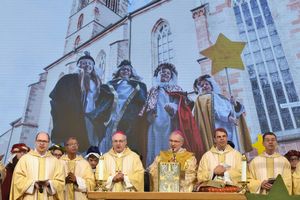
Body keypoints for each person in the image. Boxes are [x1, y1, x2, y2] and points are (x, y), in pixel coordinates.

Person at [140, 63, 203, 165]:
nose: (165, 74)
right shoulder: (152, 90)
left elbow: (182, 106)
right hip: (155, 122)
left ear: (171, 77)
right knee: (154, 145)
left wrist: (173, 108)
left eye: (168, 73)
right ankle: (154, 172)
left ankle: (170, 173)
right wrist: (149, 116)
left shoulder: (176, 89)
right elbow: (146, 108)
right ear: (158, 75)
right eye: (162, 72)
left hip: (170, 122)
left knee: (169, 145)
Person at [50, 51, 113, 151]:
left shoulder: (99, 84)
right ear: (79, 65)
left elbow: (104, 102)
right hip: (73, 117)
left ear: (93, 67)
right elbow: (56, 99)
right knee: (72, 145)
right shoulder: (68, 80)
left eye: (90, 63)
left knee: (90, 146)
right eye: (84, 63)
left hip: (91, 119)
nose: (87, 65)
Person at [98, 60, 147, 160]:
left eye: (128, 70)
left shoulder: (139, 85)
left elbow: (143, 101)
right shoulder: (110, 84)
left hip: (130, 117)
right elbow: (103, 99)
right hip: (113, 114)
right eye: (123, 69)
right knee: (110, 137)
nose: (126, 71)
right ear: (119, 71)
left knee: (128, 140)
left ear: (131, 72)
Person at [193, 74, 252, 153]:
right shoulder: (202, 99)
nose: (204, 86)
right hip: (216, 128)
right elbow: (216, 110)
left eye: (206, 84)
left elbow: (232, 111)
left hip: (228, 128)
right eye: (201, 85)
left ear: (211, 85)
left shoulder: (221, 97)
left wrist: (234, 104)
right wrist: (228, 117)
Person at [10, 132, 65, 200]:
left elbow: (61, 182)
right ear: (35, 142)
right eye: (39, 141)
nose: (42, 143)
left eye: (45, 141)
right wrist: (32, 184)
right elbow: (17, 179)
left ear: (49, 143)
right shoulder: (25, 159)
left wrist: (49, 183)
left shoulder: (55, 161)